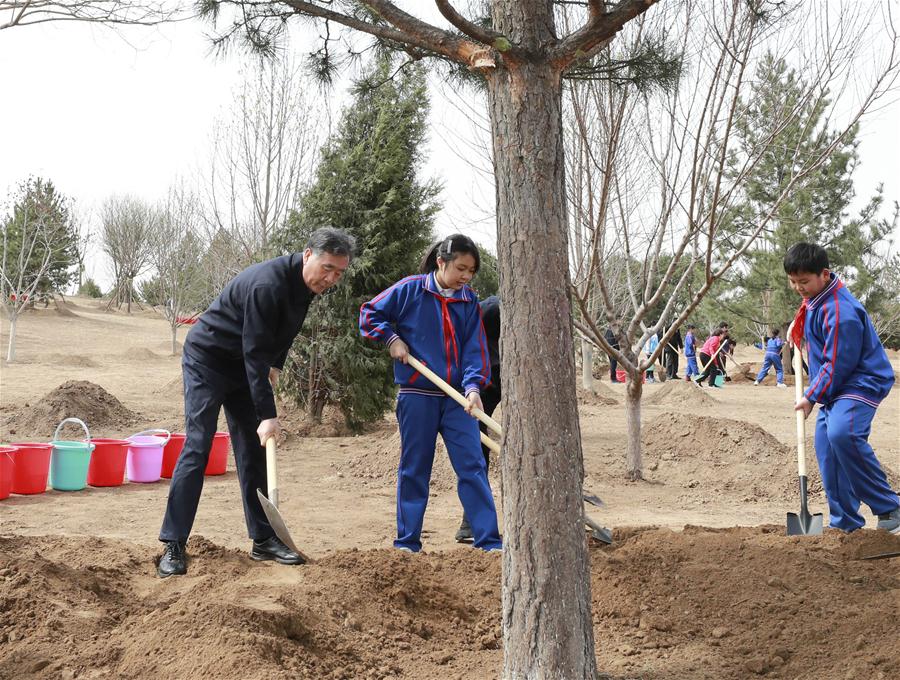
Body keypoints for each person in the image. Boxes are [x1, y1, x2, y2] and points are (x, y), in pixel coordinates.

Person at [156, 228, 356, 578]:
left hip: (244, 364)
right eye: (327, 268)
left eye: (339, 272)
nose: (331, 278)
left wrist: (276, 365)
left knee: (252, 448)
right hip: (209, 360)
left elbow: (285, 330)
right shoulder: (268, 284)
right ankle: (173, 544)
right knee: (199, 445)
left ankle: (263, 539)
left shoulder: (306, 286)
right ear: (307, 254)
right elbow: (253, 352)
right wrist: (268, 414)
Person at [359, 234, 503, 553]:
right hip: (417, 394)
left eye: (471, 271)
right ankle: (407, 543)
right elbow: (369, 314)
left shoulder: (468, 302)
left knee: (472, 465)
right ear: (441, 262)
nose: (465, 276)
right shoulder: (411, 289)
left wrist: (472, 387)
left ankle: (489, 541)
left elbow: (474, 350)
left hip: (456, 399)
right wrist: (391, 338)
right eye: (461, 268)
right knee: (415, 468)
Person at [785, 242, 898, 534]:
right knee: (826, 444)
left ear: (824, 274)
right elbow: (812, 318)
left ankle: (890, 507)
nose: (799, 287)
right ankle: (846, 524)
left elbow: (838, 362)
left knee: (842, 433)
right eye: (794, 281)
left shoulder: (841, 310)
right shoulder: (817, 298)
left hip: (861, 379)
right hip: (838, 384)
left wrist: (811, 395)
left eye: (804, 281)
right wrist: (797, 326)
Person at [455, 294, 500, 543]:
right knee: (477, 449)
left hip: (503, 376)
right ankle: (470, 524)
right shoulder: (492, 309)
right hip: (479, 381)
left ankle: (471, 524)